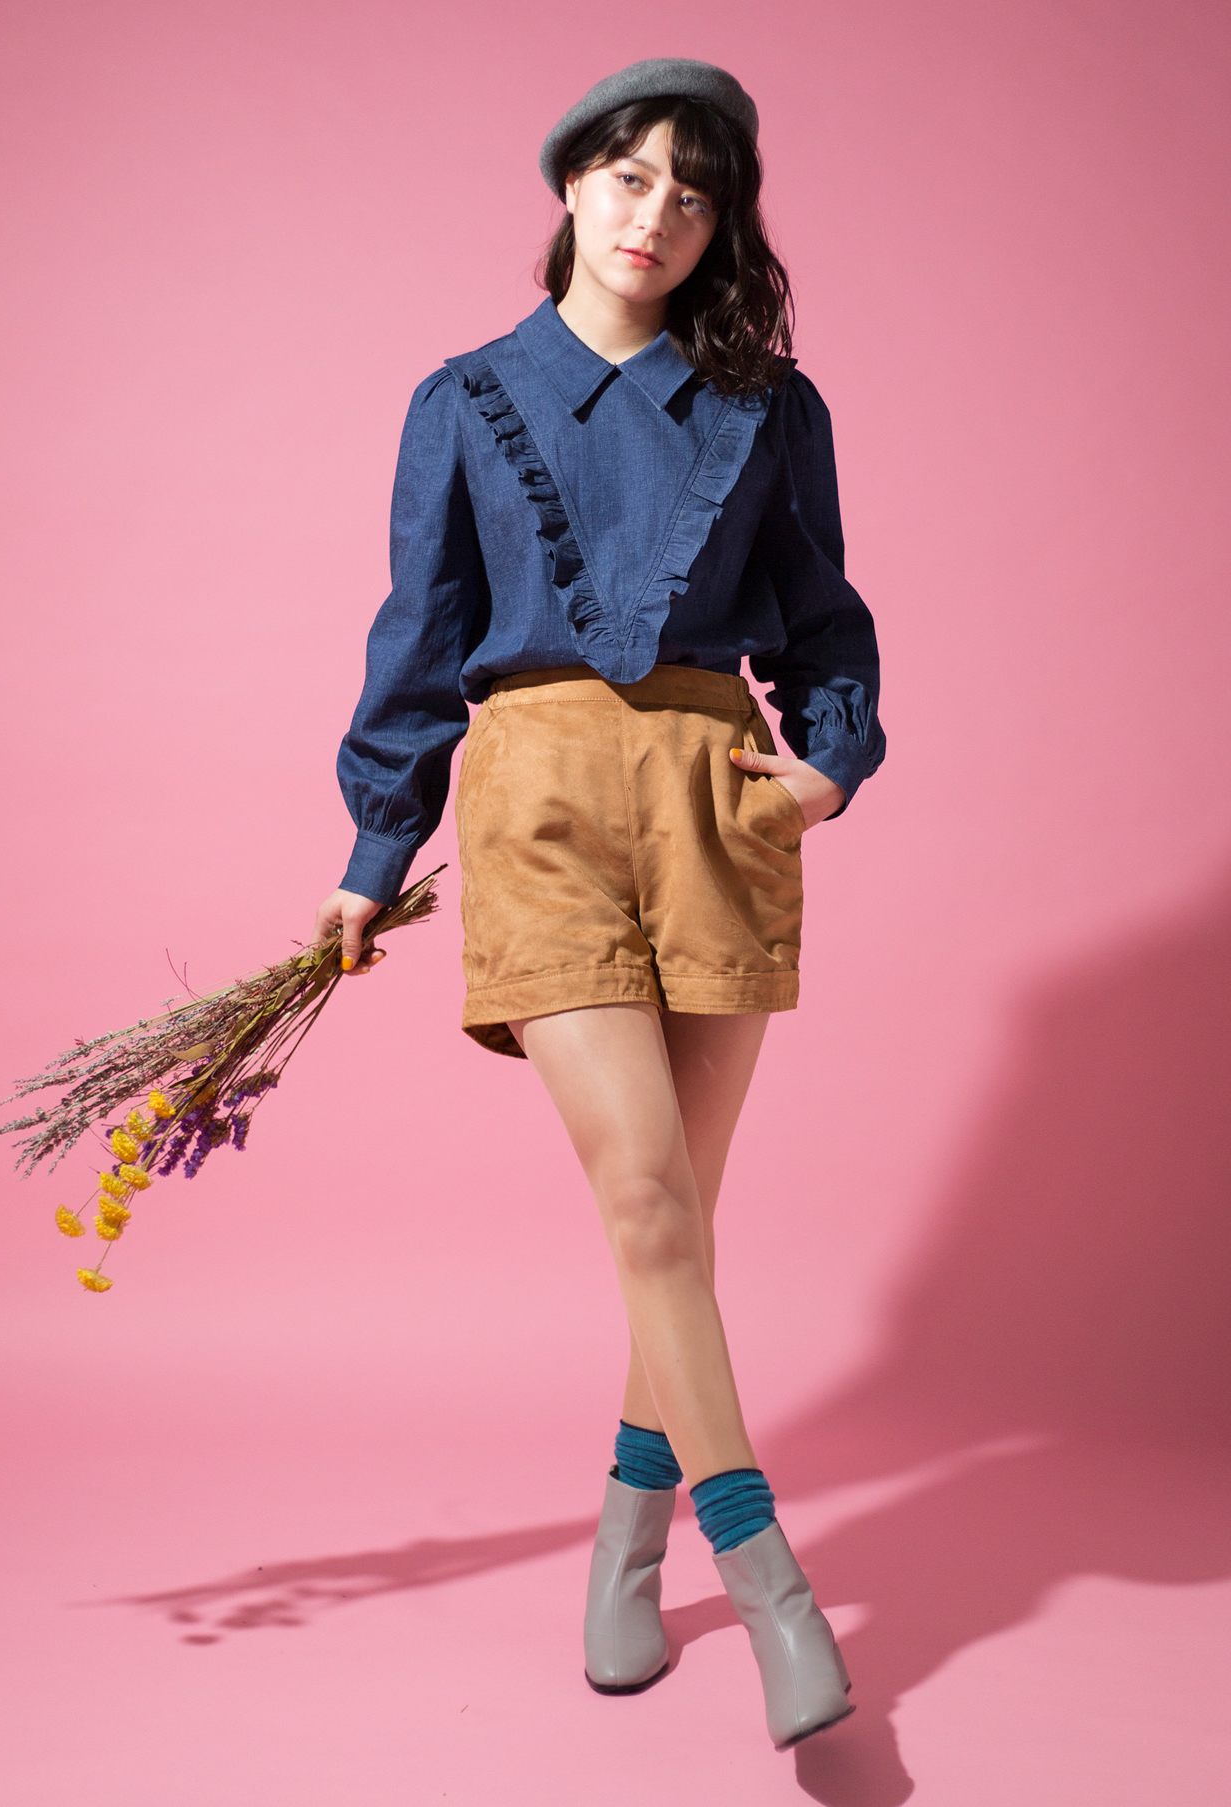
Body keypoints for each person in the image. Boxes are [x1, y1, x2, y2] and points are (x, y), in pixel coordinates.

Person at [313, 57, 884, 1751]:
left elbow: (823, 618)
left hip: (716, 796)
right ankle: (769, 1581)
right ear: (572, 183)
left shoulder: (771, 406)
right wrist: (371, 855)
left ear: (723, 226)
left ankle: (628, 1533)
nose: (659, 217)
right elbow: (419, 634)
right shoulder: (463, 399)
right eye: (633, 178)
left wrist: (827, 765)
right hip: (538, 798)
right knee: (644, 1195)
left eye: (696, 195)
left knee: (676, 1220)